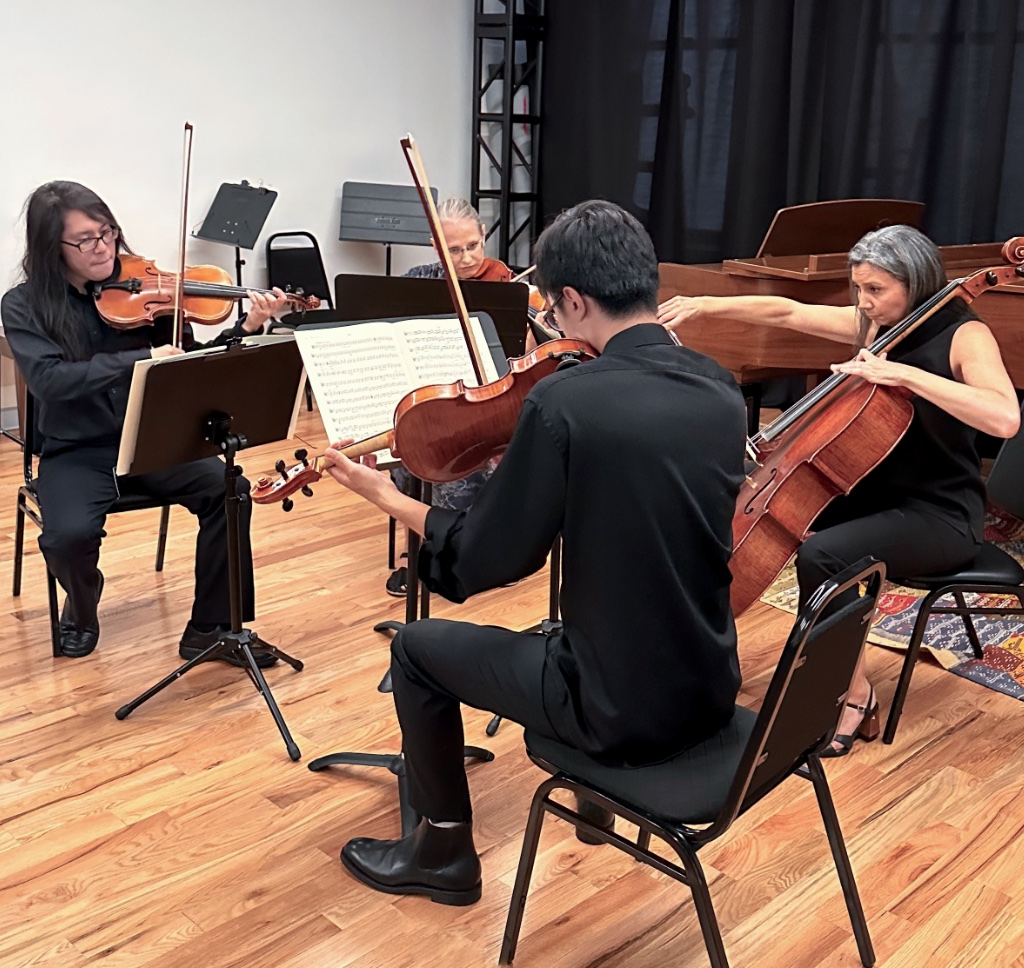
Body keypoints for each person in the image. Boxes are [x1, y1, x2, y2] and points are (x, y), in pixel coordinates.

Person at [320, 199, 747, 905]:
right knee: (576, 620)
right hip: (706, 689)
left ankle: (442, 852)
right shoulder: (719, 388)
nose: (551, 324)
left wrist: (389, 497)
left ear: (574, 300)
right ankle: (592, 810)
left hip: (613, 710)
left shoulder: (569, 403)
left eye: (551, 309)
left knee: (417, 648)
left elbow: (491, 558)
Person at [659, 223, 1020, 755]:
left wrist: (906, 377)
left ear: (915, 281)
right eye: (859, 289)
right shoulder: (879, 325)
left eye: (875, 290)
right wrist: (703, 305)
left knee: (825, 555)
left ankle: (853, 695)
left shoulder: (964, 335)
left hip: (941, 514)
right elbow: (787, 312)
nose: (864, 302)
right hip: (877, 495)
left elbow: (1005, 417)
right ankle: (704, 660)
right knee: (780, 518)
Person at [1, 180, 288, 662]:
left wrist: (246, 328)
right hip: (78, 449)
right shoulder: (23, 305)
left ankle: (210, 629)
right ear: (53, 247)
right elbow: (50, 381)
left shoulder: (147, 291)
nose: (103, 247)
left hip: (152, 439)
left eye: (107, 232)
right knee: (68, 537)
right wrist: (143, 359)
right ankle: (83, 600)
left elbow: (191, 365)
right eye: (86, 240)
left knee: (230, 488)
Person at [386, 198, 516, 597]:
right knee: (409, 442)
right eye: (454, 250)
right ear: (435, 246)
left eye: (474, 246)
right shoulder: (416, 282)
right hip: (433, 400)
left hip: (485, 406)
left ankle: (464, 546)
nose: (467, 258)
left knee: (451, 447)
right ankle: (422, 543)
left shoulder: (505, 287)